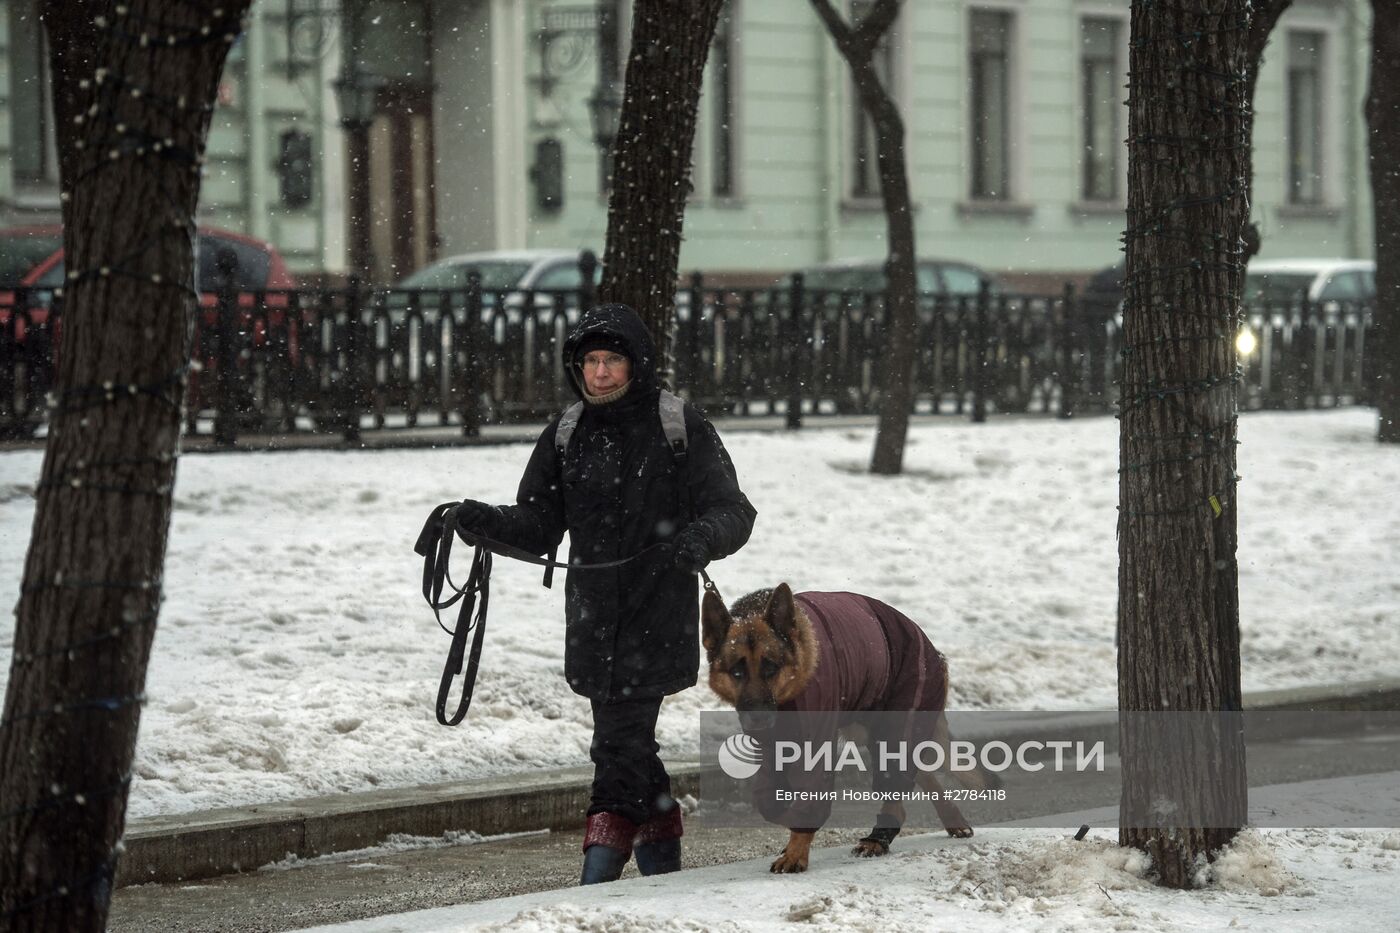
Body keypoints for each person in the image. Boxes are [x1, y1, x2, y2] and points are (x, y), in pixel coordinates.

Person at [454, 302, 756, 884]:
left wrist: (701, 538)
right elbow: (539, 524)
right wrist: (477, 521)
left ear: (635, 363)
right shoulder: (567, 433)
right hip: (592, 618)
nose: (599, 373)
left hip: (657, 612)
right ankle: (661, 846)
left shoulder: (678, 425)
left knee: (616, 745)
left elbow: (733, 510)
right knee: (628, 742)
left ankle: (601, 870)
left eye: (611, 360)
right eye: (589, 361)